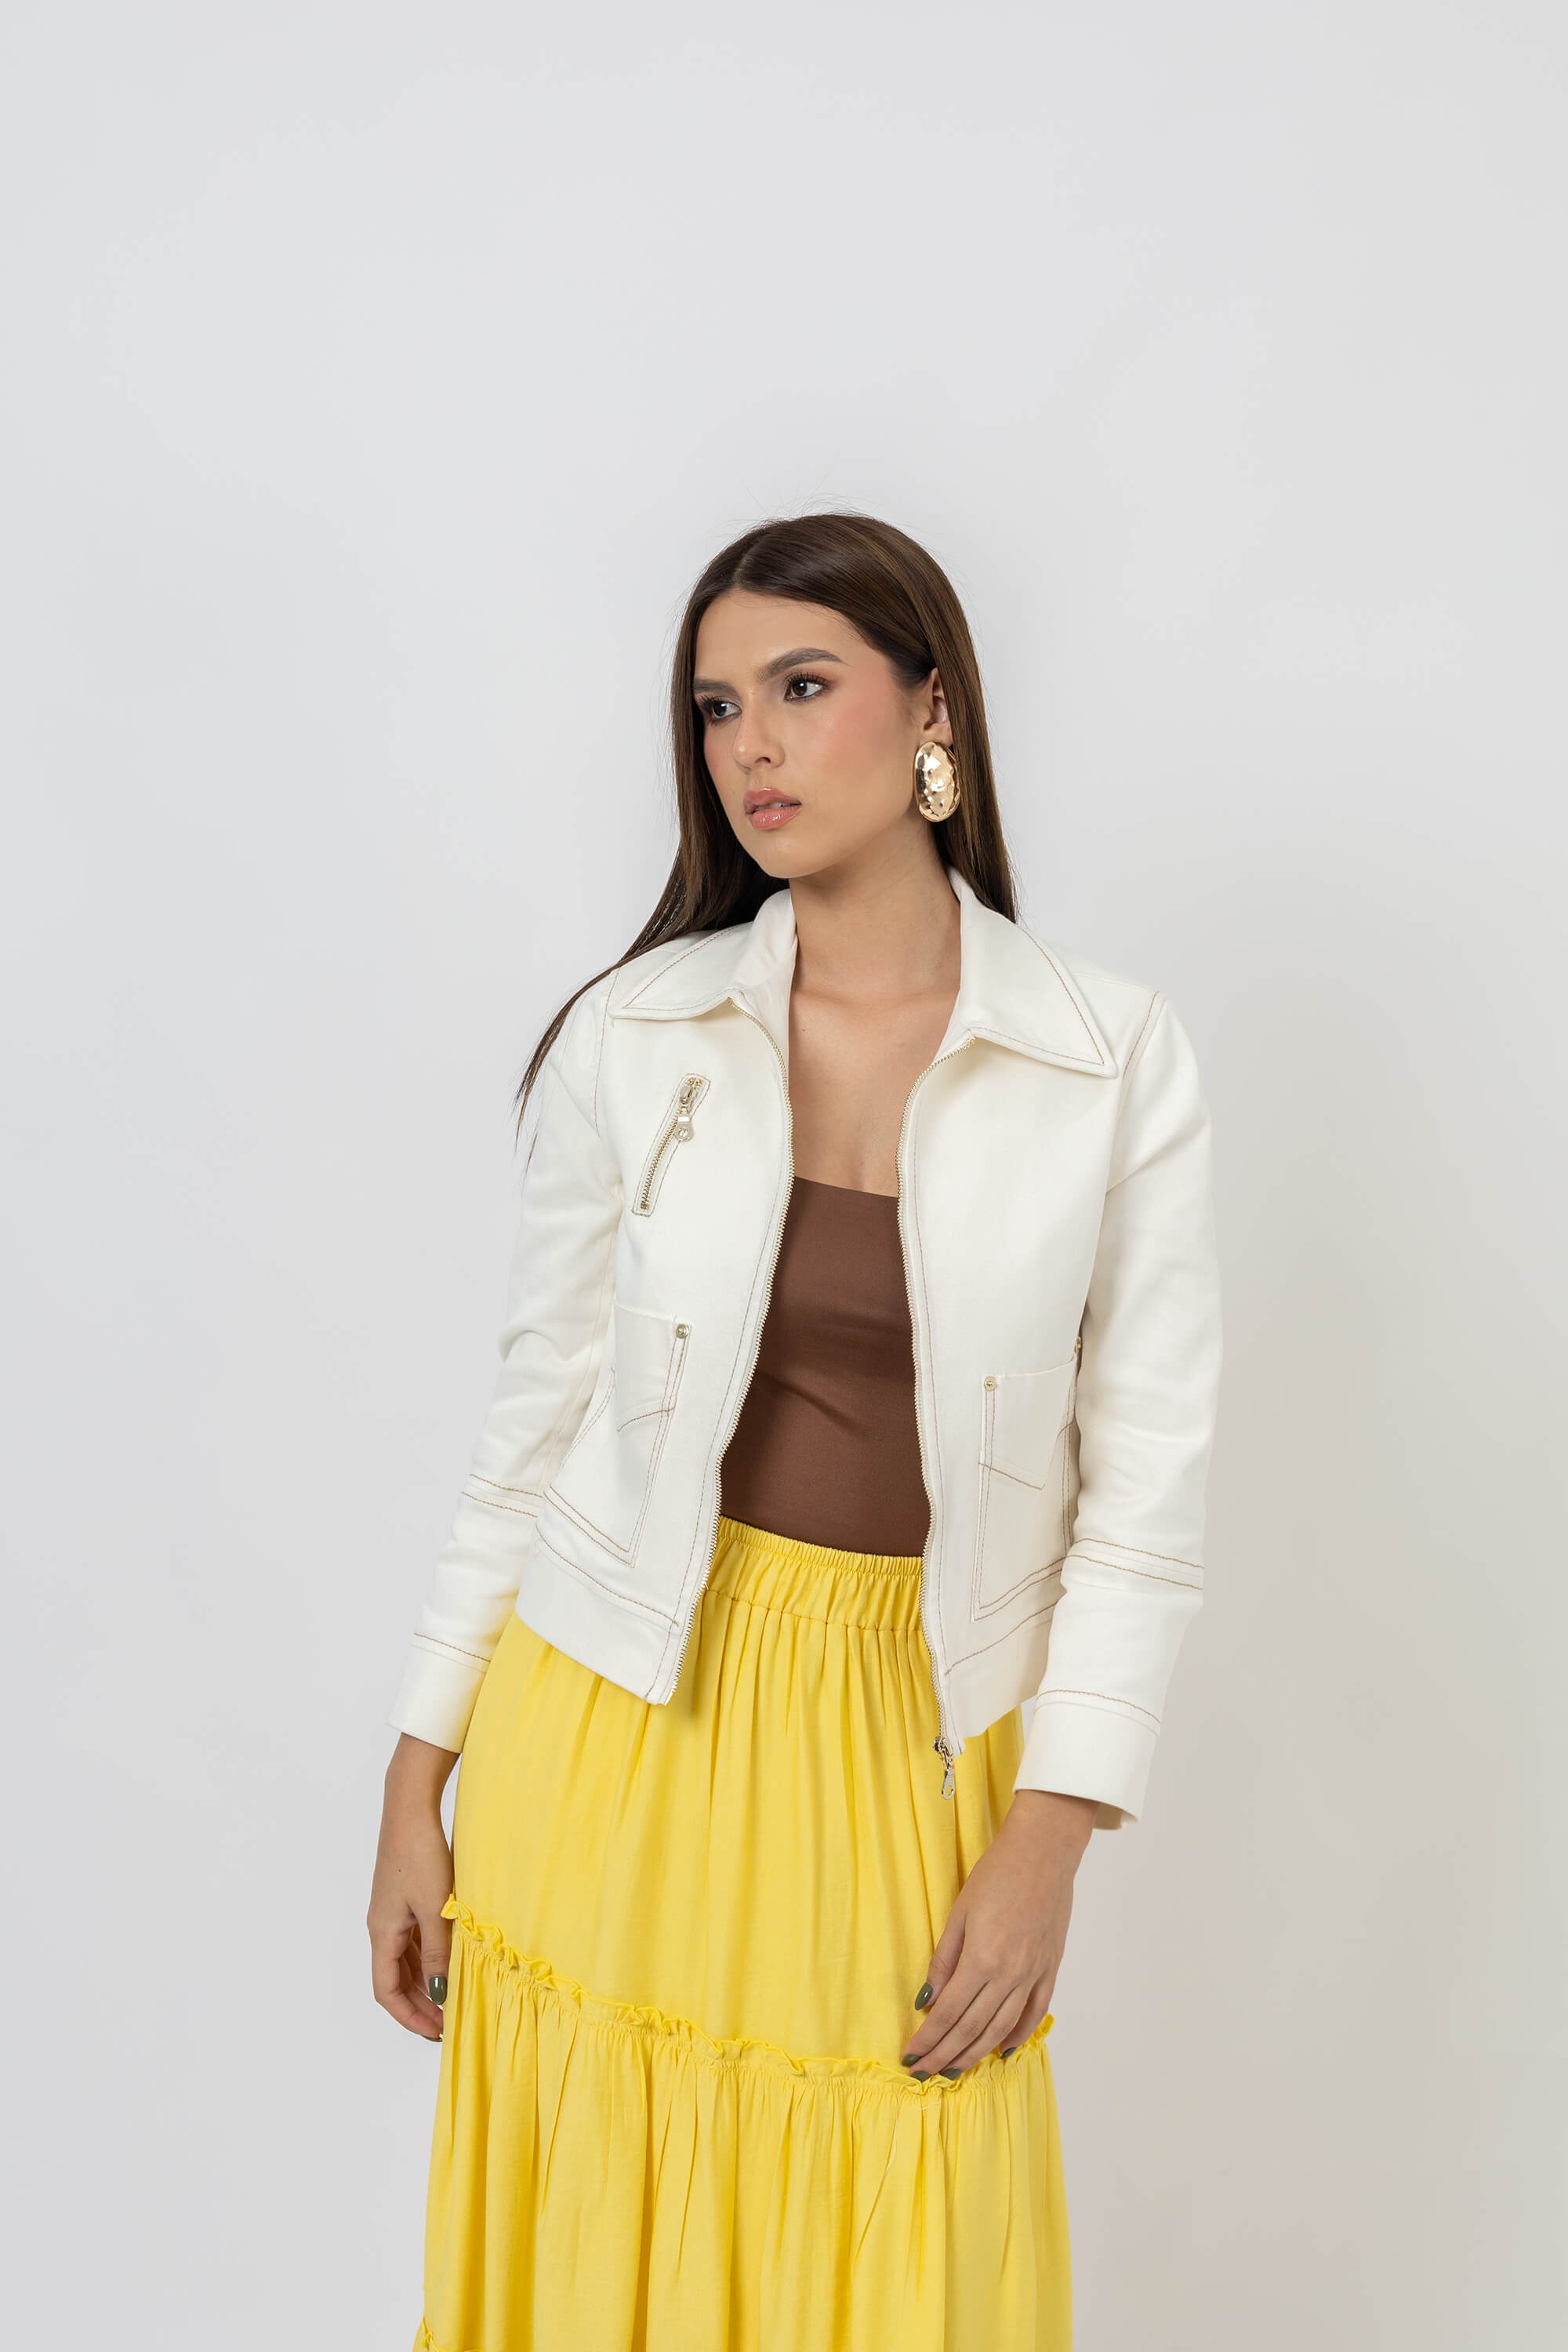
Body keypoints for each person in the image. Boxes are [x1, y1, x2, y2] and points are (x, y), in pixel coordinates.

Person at [368, 510, 1222, 2351]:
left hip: (904, 1731)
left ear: (933, 714)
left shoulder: (1108, 1059)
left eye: (802, 687)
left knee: (900, 2237)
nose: (749, 744)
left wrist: (1052, 1836)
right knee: (602, 2259)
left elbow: (1145, 1505)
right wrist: (414, 1774)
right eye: (714, 707)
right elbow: (534, 1423)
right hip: (613, 1720)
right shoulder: (637, 1032)